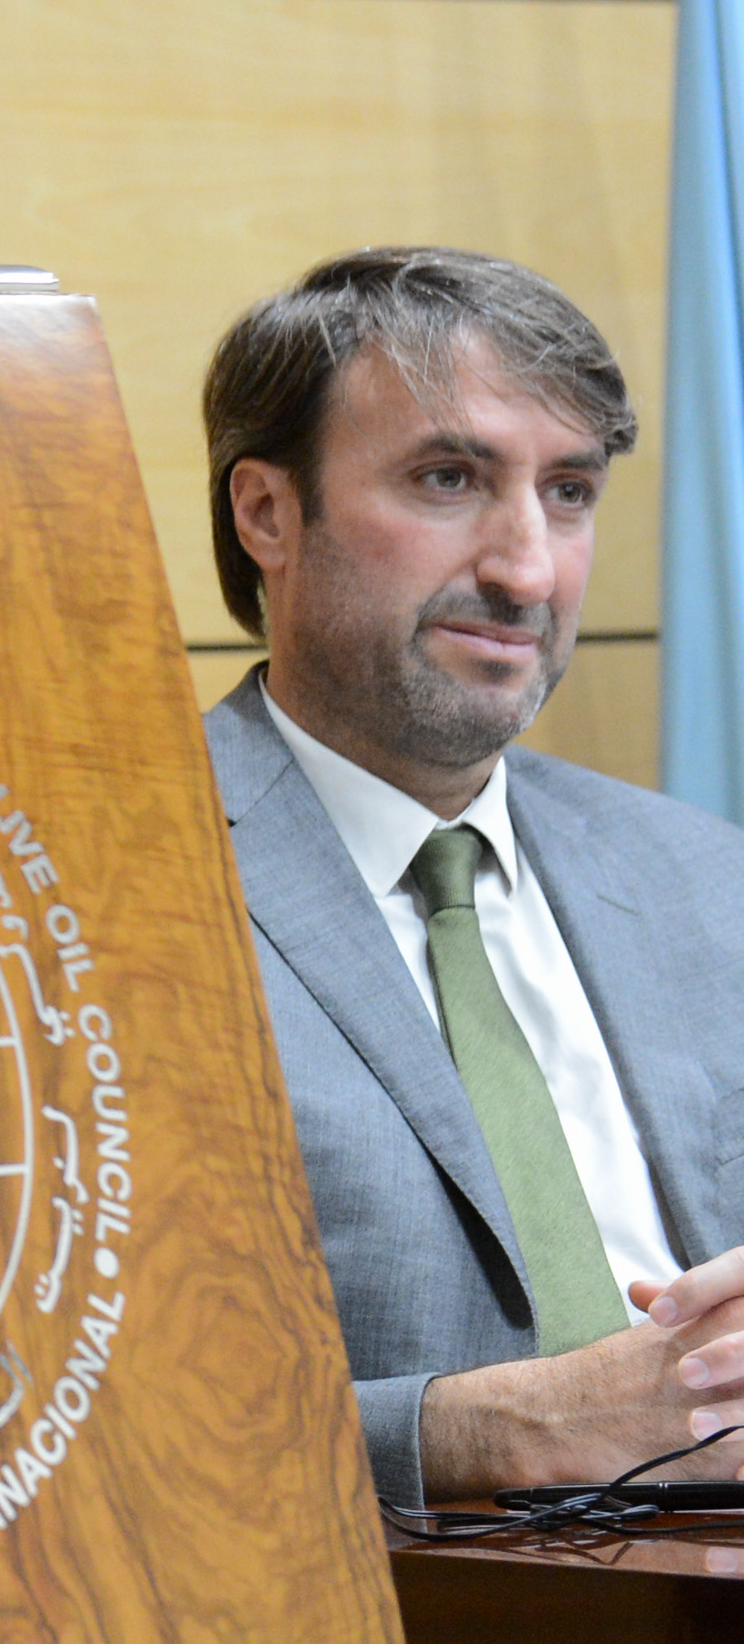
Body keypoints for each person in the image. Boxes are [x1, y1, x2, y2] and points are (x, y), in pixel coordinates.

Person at [198, 248, 744, 1505]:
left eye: (569, 492)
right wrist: (486, 1431)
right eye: (449, 480)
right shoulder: (96, 896)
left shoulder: (707, 878)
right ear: (267, 512)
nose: (528, 570)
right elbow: (37, 1412)